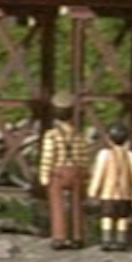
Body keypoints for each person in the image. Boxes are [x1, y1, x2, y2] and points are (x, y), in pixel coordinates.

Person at [38, 92, 92, 250]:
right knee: (77, 204)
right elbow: (84, 156)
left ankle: (59, 237)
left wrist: (44, 176)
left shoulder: (51, 135)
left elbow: (48, 156)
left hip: (59, 172)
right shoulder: (78, 134)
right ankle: (77, 236)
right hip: (75, 171)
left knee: (57, 204)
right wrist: (86, 174)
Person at [87, 123, 132, 251]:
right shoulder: (131, 156)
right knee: (122, 217)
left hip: (108, 193)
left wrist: (93, 190)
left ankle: (107, 240)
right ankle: (121, 241)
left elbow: (99, 174)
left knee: (107, 216)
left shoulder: (104, 155)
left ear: (109, 138)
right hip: (125, 194)